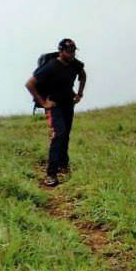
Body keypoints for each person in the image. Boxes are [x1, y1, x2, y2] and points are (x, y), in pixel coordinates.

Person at [25, 38, 86, 187]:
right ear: (61, 51)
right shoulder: (51, 66)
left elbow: (83, 76)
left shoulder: (75, 64)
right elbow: (30, 84)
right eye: (68, 51)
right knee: (58, 135)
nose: (71, 54)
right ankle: (51, 174)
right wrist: (43, 102)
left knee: (65, 135)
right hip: (54, 106)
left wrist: (79, 94)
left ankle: (64, 166)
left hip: (68, 104)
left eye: (73, 51)